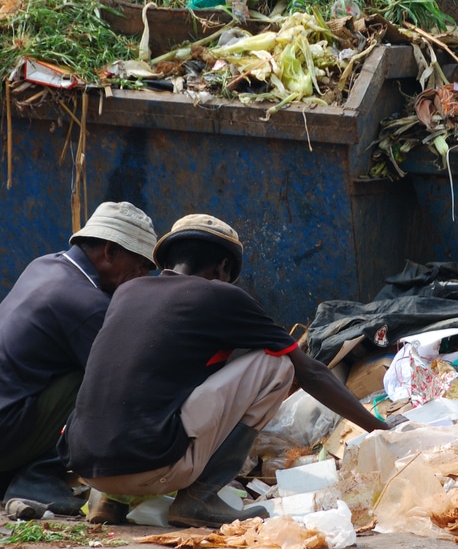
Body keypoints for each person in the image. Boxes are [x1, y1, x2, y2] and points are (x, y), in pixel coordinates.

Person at [60, 214, 393, 528]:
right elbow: (310, 373)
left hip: (87, 465)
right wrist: (380, 429)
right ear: (223, 267)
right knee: (276, 363)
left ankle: (110, 500)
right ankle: (199, 499)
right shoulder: (220, 295)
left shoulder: (127, 293)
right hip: (153, 466)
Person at [0, 202, 157, 520]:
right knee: (108, 380)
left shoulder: (44, 265)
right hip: (7, 430)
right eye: (140, 265)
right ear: (110, 252)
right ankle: (38, 478)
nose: (141, 277)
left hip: (8, 417)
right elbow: (128, 380)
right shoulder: (86, 304)